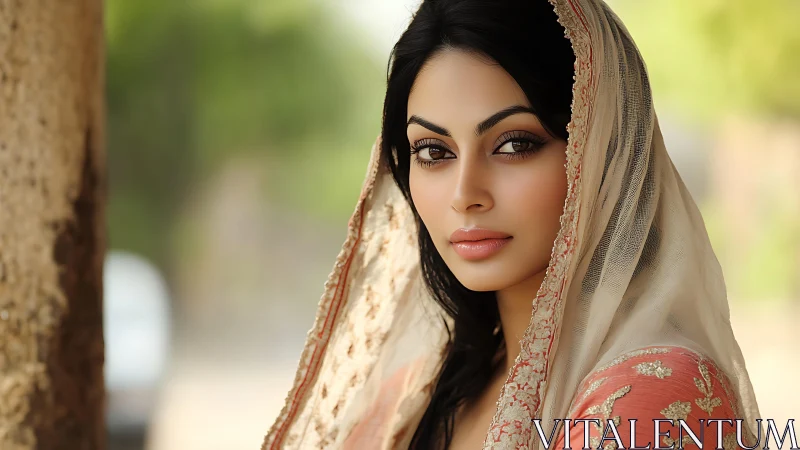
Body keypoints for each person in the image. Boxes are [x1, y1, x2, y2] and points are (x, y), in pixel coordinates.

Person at [263, 0, 763, 448]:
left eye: (514, 144)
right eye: (433, 152)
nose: (465, 196)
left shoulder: (650, 401)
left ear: (603, 155)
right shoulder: (418, 396)